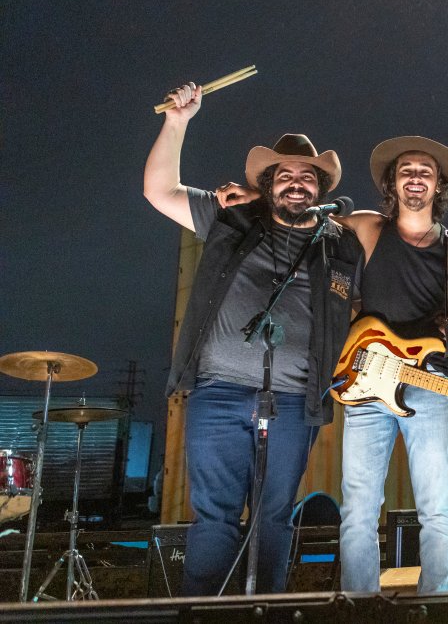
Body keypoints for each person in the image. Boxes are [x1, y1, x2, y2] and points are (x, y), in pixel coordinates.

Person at [218, 134, 448, 593]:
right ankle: (360, 605)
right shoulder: (368, 227)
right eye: (406, 171)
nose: (415, 178)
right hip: (366, 383)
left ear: (439, 186)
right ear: (391, 184)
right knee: (358, 507)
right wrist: (260, 197)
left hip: (430, 381)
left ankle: (438, 607)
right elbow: (302, 214)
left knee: (437, 505)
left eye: (425, 172)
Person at [144, 82, 363, 595]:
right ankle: (203, 611)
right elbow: (159, 191)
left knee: (274, 519)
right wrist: (178, 121)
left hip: (293, 402)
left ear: (320, 189)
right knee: (215, 518)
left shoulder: (342, 246)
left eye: (306, 177)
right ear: (267, 183)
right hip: (217, 394)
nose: (295, 183)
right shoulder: (230, 218)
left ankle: (264, 609)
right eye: (283, 175)